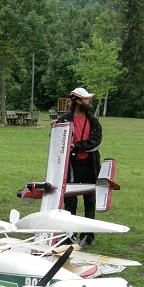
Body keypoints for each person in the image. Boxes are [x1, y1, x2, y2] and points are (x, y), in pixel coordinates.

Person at [56, 87, 102, 247]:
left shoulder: (93, 121)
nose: (89, 102)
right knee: (70, 201)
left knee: (90, 200)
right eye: (86, 99)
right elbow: (57, 143)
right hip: (70, 166)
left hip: (90, 165)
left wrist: (77, 146)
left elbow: (96, 141)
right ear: (77, 101)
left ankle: (88, 234)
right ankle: (69, 235)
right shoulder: (64, 120)